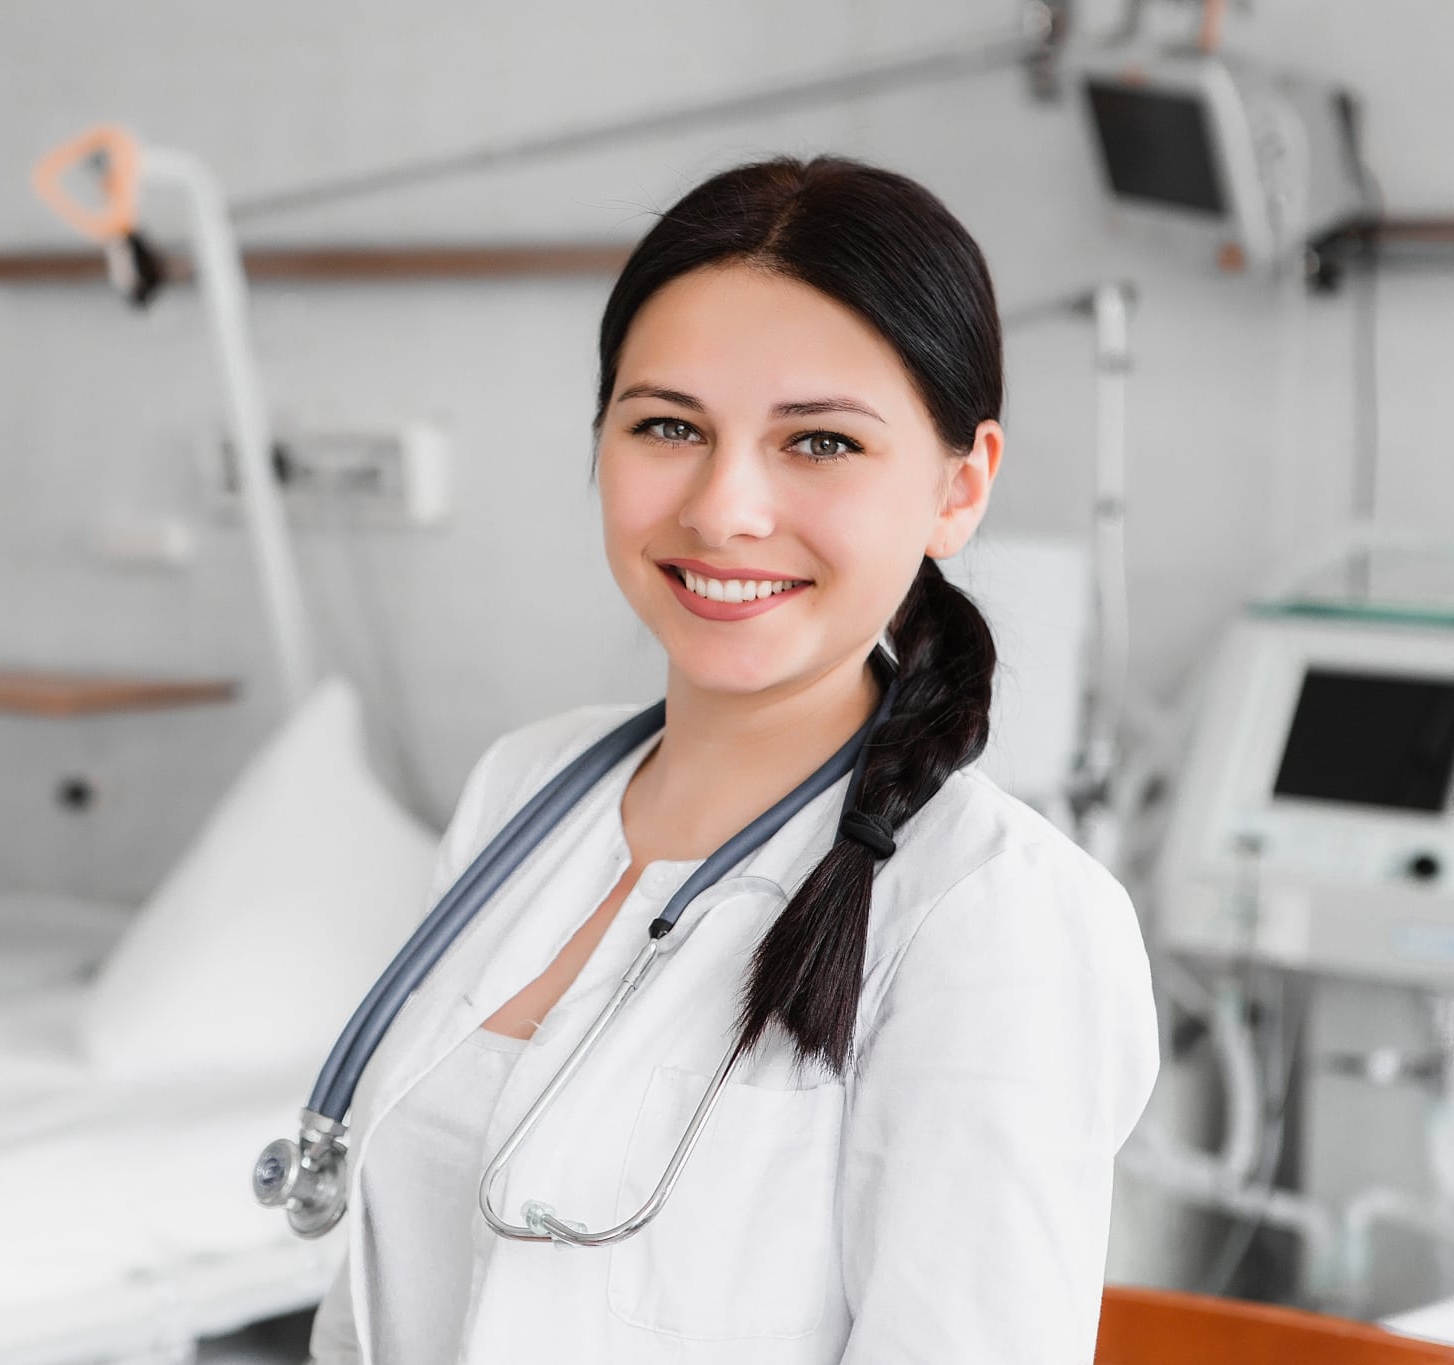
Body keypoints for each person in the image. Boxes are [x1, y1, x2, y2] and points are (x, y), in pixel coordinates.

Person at [305, 155, 1159, 1365]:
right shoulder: (520, 791)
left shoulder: (992, 916)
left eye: (817, 442)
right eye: (666, 425)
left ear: (958, 489)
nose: (722, 508)